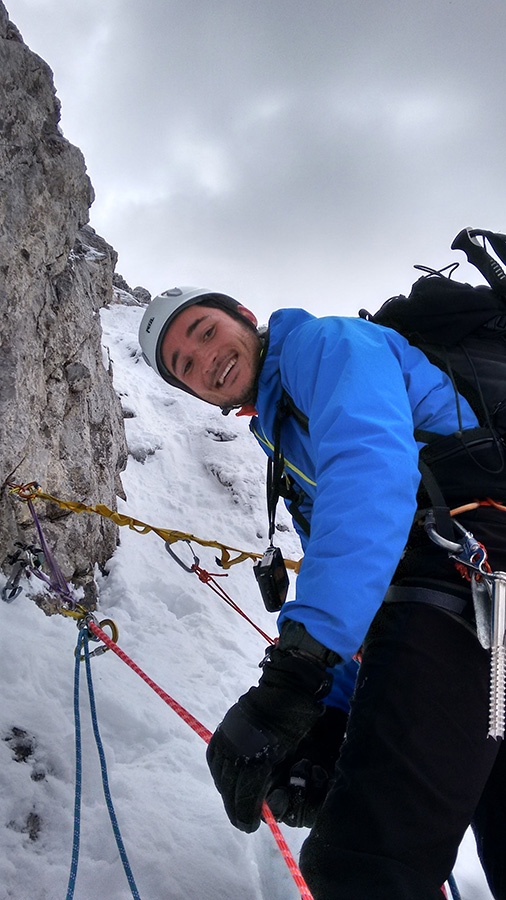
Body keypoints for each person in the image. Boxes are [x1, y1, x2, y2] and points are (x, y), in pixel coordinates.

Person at [138, 287, 506, 900]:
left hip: (469, 552)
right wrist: (331, 711)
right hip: (469, 572)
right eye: (184, 364)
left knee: (363, 861)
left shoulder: (324, 344)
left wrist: (296, 671)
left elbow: (371, 474)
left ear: (245, 318)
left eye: (204, 332)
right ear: (195, 394)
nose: (205, 359)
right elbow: (362, 566)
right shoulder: (281, 427)